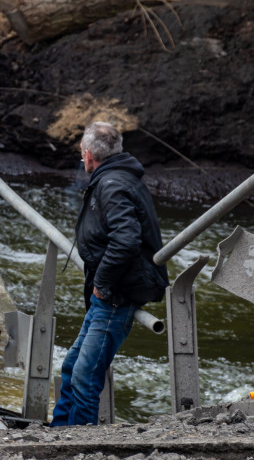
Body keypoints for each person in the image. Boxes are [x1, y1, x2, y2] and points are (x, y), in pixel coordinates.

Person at [49, 121, 169, 427]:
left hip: (117, 295)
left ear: (88, 155)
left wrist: (102, 283)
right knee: (72, 367)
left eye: (80, 153)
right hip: (107, 293)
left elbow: (126, 240)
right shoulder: (116, 177)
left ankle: (78, 444)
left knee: (85, 376)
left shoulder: (112, 184)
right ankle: (58, 434)